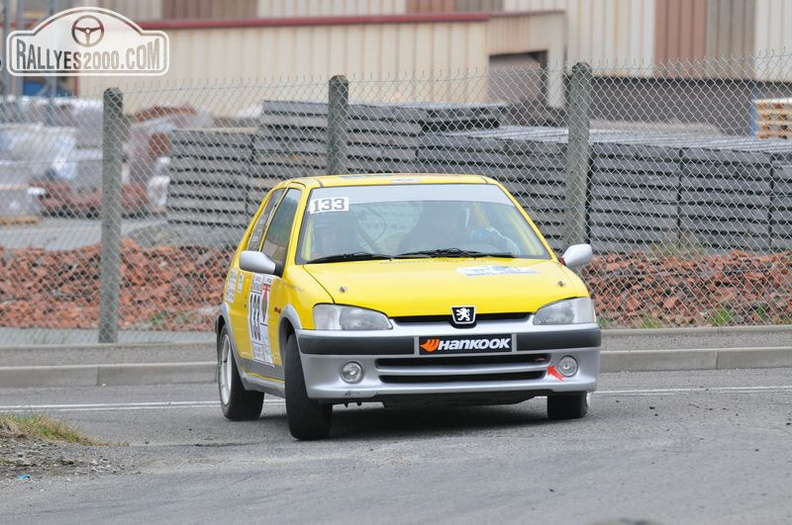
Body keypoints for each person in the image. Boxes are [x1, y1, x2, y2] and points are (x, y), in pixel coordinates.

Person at [398, 201, 468, 253]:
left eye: (455, 217)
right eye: (450, 218)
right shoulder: (416, 244)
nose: (453, 224)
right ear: (433, 219)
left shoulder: (463, 240)